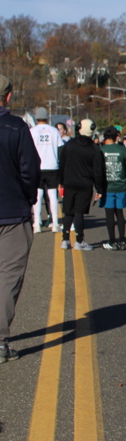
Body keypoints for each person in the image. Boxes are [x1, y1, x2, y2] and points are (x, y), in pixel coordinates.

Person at [0, 75, 40, 364]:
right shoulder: (16, 127)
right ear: (8, 96)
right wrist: (29, 199)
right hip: (11, 212)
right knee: (8, 278)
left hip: (13, 209)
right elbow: (30, 171)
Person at [58, 119, 105, 251]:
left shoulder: (69, 145)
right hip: (85, 184)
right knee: (79, 212)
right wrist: (99, 188)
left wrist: (61, 181)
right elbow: (98, 171)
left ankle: (65, 240)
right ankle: (79, 241)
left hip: (69, 182)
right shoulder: (94, 149)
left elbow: (62, 163)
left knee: (68, 211)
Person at [29, 107, 62, 233]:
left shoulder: (32, 131)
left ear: (36, 118)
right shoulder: (54, 131)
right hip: (52, 166)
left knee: (38, 195)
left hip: (38, 167)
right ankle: (55, 223)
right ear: (47, 118)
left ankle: (37, 223)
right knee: (52, 195)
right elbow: (60, 149)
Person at [99, 126, 126, 250]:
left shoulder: (101, 150)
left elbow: (97, 169)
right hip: (120, 185)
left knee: (109, 215)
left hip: (107, 186)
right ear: (115, 137)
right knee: (120, 213)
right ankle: (122, 240)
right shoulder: (121, 149)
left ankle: (112, 241)